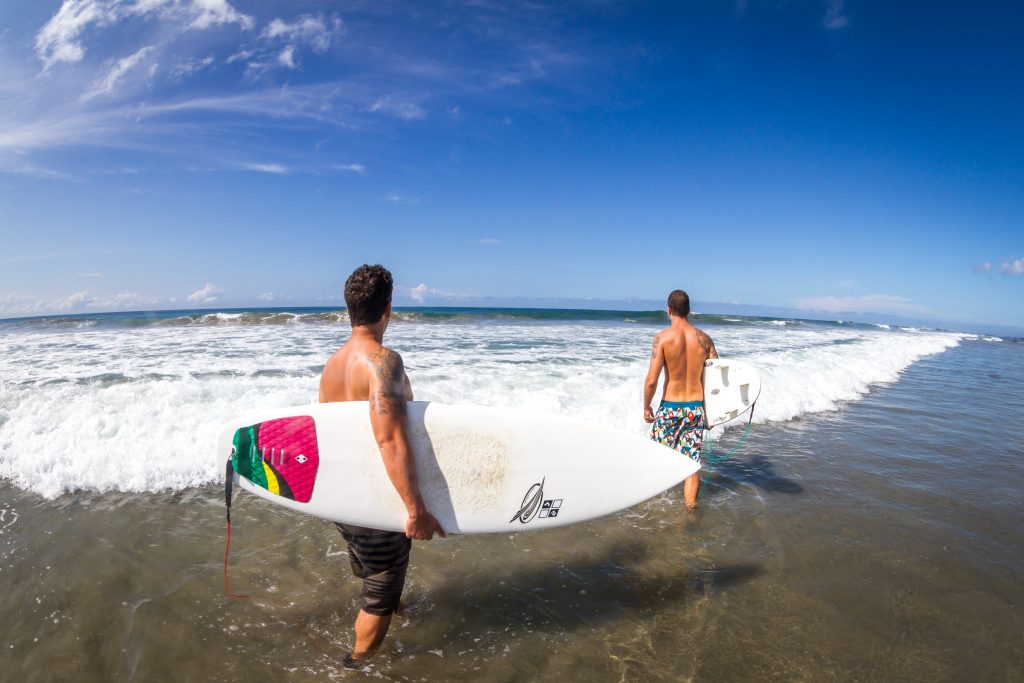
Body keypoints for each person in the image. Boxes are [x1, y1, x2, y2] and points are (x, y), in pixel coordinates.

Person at [319, 264, 445, 666]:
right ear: (388, 308)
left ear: (349, 308)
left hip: (343, 497)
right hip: (373, 499)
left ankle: (394, 609)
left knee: (377, 574)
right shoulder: (383, 361)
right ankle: (354, 666)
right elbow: (389, 437)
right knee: (379, 588)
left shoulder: (332, 365)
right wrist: (416, 510)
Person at [643, 289, 718, 510]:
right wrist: (713, 412)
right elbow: (716, 381)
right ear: (689, 310)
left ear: (668, 310)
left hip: (670, 408)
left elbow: (651, 381)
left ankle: (651, 505)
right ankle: (690, 510)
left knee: (656, 458)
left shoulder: (662, 339)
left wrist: (646, 406)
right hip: (695, 409)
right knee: (691, 462)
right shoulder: (704, 340)